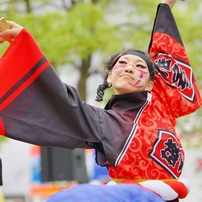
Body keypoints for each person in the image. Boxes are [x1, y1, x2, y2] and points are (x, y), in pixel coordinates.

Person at [0, 0, 201, 201]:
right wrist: (23, 42)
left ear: (150, 84)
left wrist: (166, 4)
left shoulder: (162, 106)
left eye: (140, 66)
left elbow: (163, 52)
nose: (130, 68)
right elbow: (60, 100)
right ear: (110, 77)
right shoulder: (104, 123)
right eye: (122, 63)